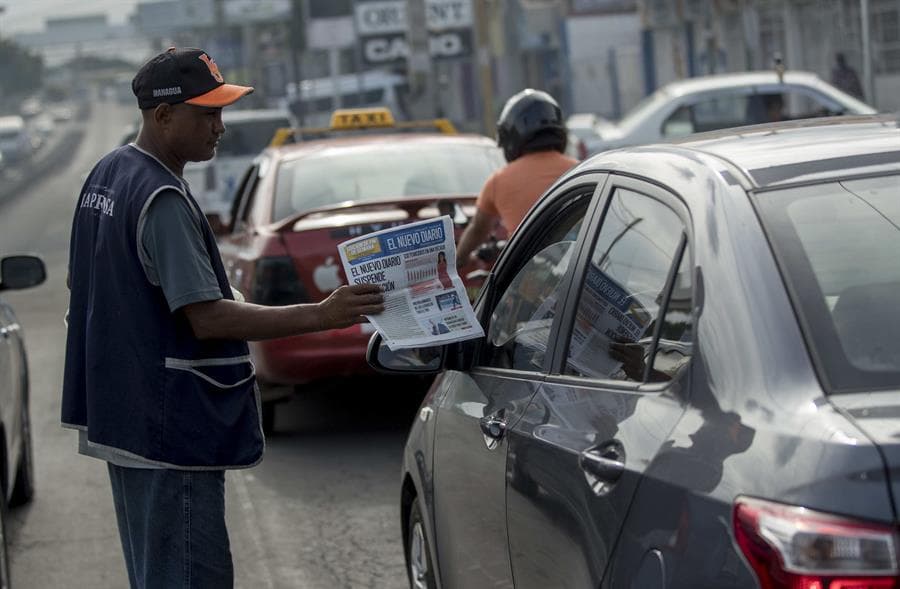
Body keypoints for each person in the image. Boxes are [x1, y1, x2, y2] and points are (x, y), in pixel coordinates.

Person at [61, 47, 384, 588]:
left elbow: (89, 281)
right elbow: (207, 320)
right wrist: (322, 315)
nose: (220, 127)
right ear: (163, 116)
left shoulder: (110, 172)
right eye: (207, 114)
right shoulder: (160, 195)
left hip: (124, 420)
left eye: (221, 112)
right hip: (169, 434)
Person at [456, 89, 577, 268]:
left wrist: (460, 259)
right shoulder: (580, 170)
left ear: (510, 136)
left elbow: (478, 230)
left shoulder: (498, 181)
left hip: (527, 277)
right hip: (580, 271)